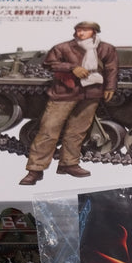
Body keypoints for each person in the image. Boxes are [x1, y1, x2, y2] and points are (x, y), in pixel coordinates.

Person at [20, 21, 118, 185]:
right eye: (78, 30)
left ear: (94, 32)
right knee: (48, 130)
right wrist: (72, 67)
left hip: (91, 92)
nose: (80, 33)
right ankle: (35, 170)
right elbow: (49, 63)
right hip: (65, 92)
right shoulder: (63, 47)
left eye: (85, 30)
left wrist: (110, 87)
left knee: (77, 131)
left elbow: (111, 68)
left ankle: (69, 164)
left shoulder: (106, 48)